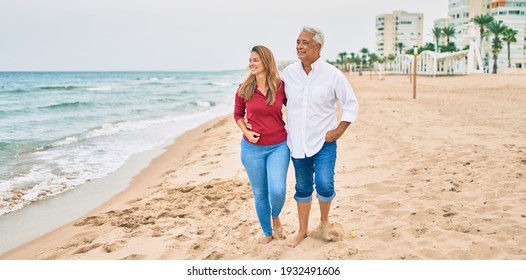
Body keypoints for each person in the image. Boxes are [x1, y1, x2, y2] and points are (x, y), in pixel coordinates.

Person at [280, 26, 359, 248]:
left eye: (305, 42)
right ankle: (302, 231)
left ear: (318, 47)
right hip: (297, 142)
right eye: (297, 42)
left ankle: (324, 221)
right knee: (302, 188)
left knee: (325, 184)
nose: (299, 46)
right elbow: (279, 100)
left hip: (324, 141)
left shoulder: (332, 74)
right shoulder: (288, 74)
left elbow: (351, 104)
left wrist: (339, 130)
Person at [233, 45, 289, 244]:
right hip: (251, 149)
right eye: (250, 60)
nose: (251, 63)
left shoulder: (280, 86)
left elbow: (297, 107)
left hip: (279, 146)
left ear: (266, 61)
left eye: (255, 60)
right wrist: (247, 131)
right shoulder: (244, 88)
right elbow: (238, 115)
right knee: (260, 193)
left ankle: (276, 216)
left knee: (278, 190)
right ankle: (267, 232)